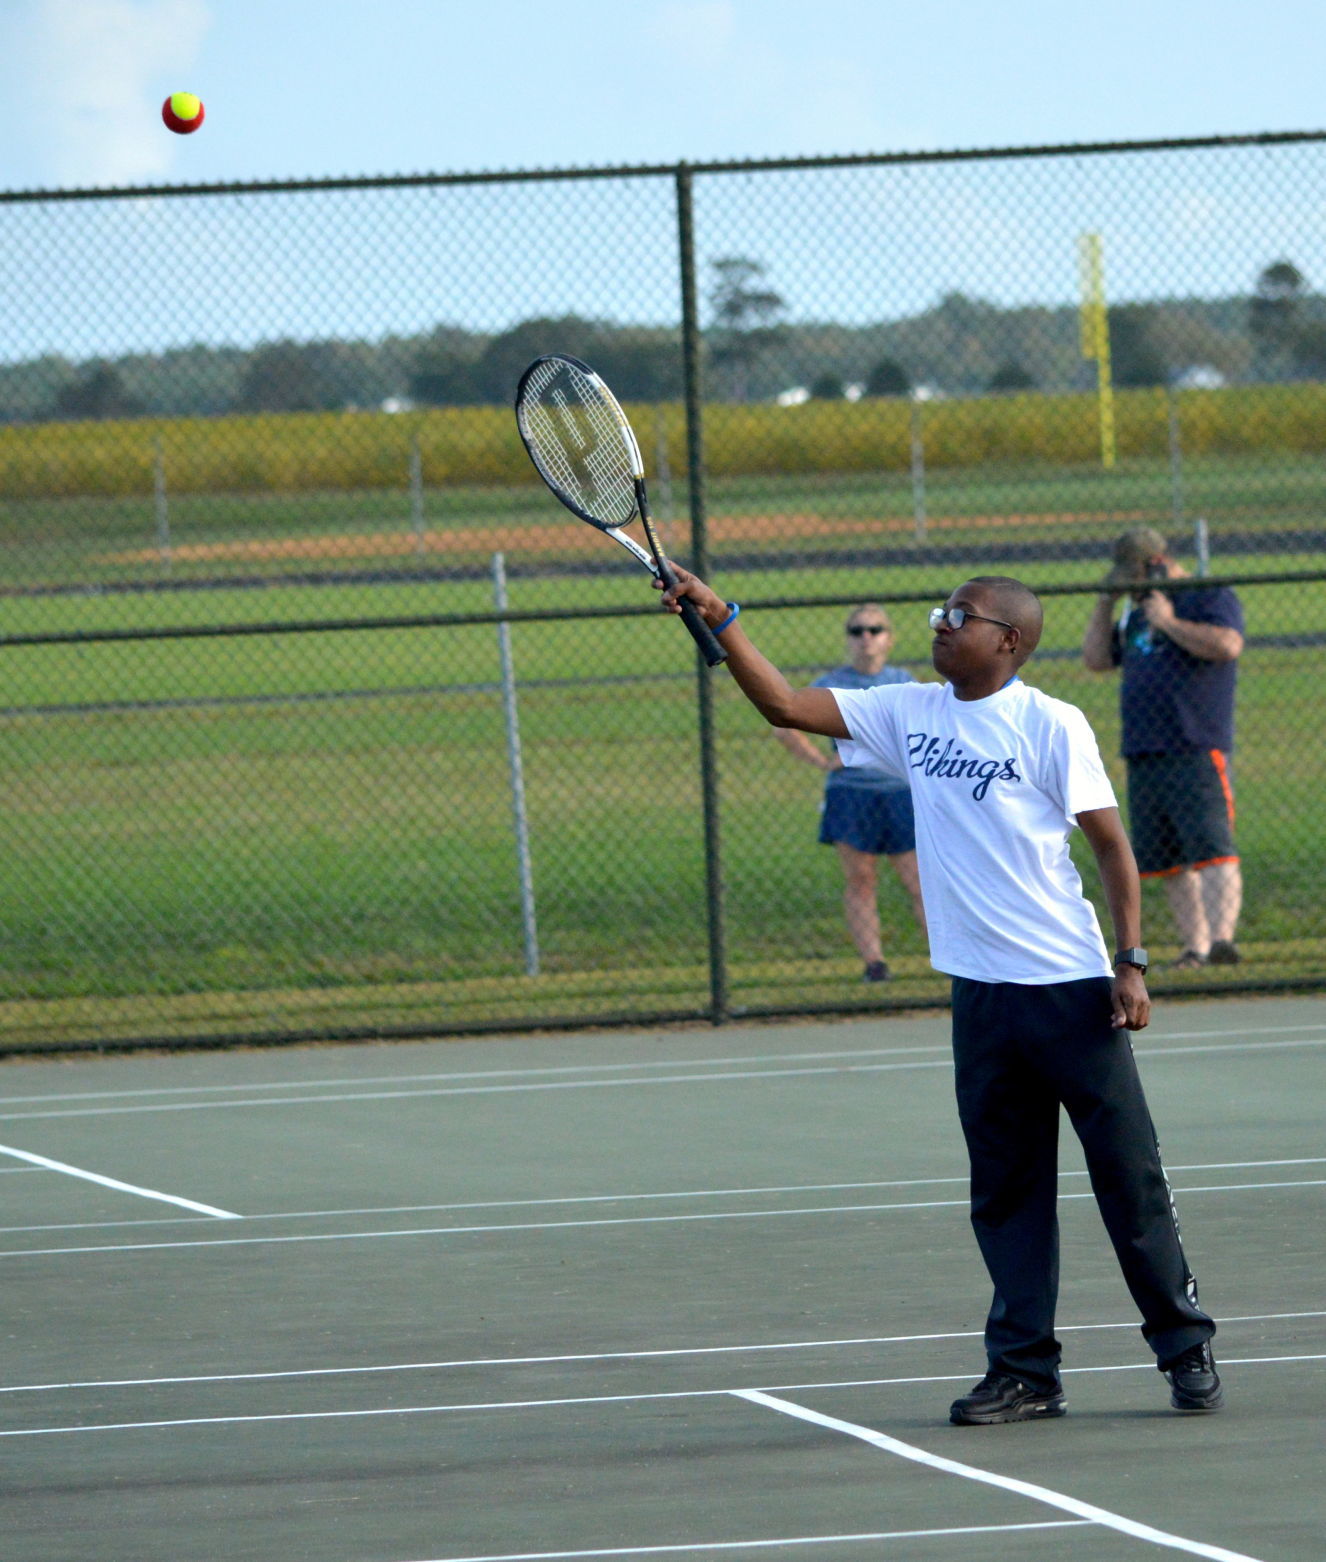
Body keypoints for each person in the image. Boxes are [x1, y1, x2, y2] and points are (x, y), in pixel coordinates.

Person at [657, 567, 1221, 1423]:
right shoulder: (911, 712)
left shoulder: (1050, 725)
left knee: (1128, 1181)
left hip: (1071, 995)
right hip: (983, 1002)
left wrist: (1132, 962)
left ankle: (1184, 1346)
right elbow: (783, 704)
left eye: (962, 617)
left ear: (1010, 641)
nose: (941, 625)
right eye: (940, 613)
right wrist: (720, 618)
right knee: (1006, 1191)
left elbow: (1111, 846)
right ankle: (1026, 1372)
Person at [1082, 528, 1244, 970]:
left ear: (1157, 562)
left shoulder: (1206, 595)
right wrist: (1106, 602)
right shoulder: (1134, 613)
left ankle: (1223, 941)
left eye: (1131, 577)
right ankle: (1196, 947)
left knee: (1212, 847)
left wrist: (1169, 621)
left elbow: (1228, 645)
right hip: (1144, 748)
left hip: (1194, 741)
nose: (1129, 586)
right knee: (1169, 860)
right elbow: (1096, 659)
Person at [772, 604, 926, 983]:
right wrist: (823, 763)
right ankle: (874, 963)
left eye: (875, 630)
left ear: (889, 638)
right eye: (857, 631)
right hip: (851, 794)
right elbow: (784, 724)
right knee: (861, 879)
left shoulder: (904, 682)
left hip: (898, 794)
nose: (866, 638)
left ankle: (951, 961)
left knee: (920, 880)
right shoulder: (831, 683)